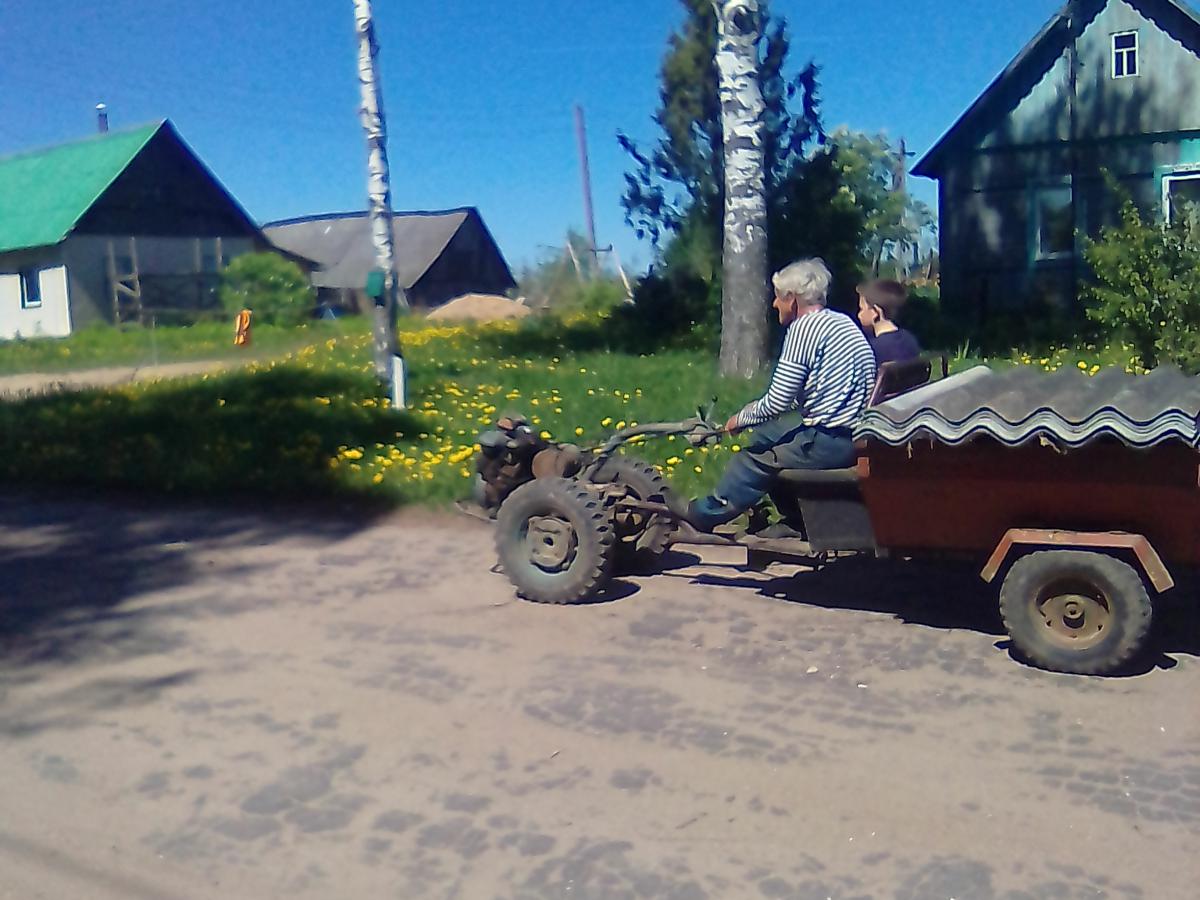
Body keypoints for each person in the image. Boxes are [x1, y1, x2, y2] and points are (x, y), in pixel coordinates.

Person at [687, 258, 877, 533]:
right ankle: (796, 518)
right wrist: (753, 415)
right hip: (851, 434)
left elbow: (778, 401)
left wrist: (740, 419)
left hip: (827, 440)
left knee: (752, 460)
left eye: (778, 297)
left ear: (792, 299)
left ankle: (707, 513)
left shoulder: (803, 330)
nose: (775, 304)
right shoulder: (842, 322)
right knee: (765, 434)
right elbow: (809, 392)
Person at [856, 279, 922, 366]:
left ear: (876, 311)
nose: (859, 315)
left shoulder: (871, 350)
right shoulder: (910, 340)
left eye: (861, 309)